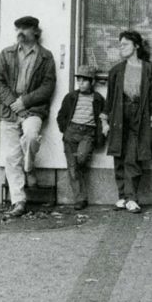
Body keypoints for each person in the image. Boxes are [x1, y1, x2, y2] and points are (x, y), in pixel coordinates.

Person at [0, 16, 56, 218]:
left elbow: (48, 87)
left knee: (31, 136)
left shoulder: (46, 57)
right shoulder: (6, 54)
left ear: (36, 32)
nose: (20, 32)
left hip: (33, 110)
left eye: (25, 28)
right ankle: (18, 201)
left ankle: (29, 168)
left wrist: (25, 102)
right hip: (9, 111)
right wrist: (14, 104)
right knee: (11, 157)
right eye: (18, 29)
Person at [100, 30, 152, 214]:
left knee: (133, 156)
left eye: (125, 44)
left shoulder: (150, 70)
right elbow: (110, 99)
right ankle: (122, 196)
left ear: (136, 46)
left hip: (140, 115)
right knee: (118, 155)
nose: (121, 48)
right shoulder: (116, 71)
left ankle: (132, 198)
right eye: (120, 45)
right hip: (119, 114)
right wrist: (105, 121)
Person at [56, 65, 105, 210]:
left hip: (87, 133)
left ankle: (79, 170)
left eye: (85, 81)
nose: (81, 83)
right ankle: (80, 199)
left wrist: (100, 134)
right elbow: (61, 116)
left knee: (81, 158)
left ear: (92, 82)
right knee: (72, 168)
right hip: (71, 132)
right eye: (79, 80)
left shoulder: (97, 99)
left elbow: (103, 117)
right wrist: (65, 130)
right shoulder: (71, 97)